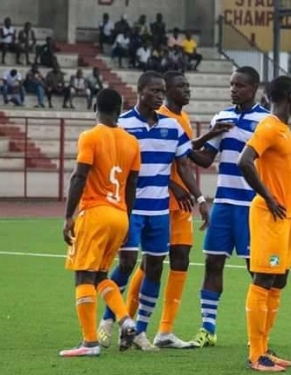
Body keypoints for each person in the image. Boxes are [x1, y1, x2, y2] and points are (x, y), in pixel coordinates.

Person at [97, 71, 210, 352]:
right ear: (140, 92)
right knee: (126, 264)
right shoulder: (122, 125)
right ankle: (109, 319)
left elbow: (183, 164)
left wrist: (200, 197)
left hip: (159, 211)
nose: (160, 96)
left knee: (155, 268)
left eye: (162, 91)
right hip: (130, 209)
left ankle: (140, 331)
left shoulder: (172, 127)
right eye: (155, 91)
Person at [121, 70, 229, 349]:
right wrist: (172, 184)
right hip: (160, 202)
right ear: (165, 91)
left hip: (182, 205)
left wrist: (209, 137)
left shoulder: (181, 119)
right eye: (180, 86)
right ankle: (128, 322)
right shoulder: (161, 117)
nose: (187, 90)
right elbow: (151, 162)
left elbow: (184, 153)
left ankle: (165, 330)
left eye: (188, 85)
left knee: (181, 259)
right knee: (149, 263)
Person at [188, 66, 271, 348]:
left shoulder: (267, 121)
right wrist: (202, 138)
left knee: (256, 269)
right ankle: (207, 329)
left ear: (254, 89)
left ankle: (258, 336)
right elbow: (205, 159)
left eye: (240, 86)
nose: (234, 89)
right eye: (231, 84)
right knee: (212, 263)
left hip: (252, 207)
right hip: (223, 203)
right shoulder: (222, 117)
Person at [58, 88, 140, 358]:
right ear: (120, 110)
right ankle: (126, 319)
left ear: (95, 107)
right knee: (102, 276)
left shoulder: (90, 136)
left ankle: (90, 342)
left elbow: (79, 176)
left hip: (95, 212)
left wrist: (69, 215)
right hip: (120, 215)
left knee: (83, 274)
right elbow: (132, 185)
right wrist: (126, 218)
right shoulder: (131, 142)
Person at [237, 75, 291, 372]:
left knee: (279, 280)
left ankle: (264, 348)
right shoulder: (269, 126)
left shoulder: (285, 130)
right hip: (268, 215)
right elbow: (244, 160)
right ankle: (255, 354)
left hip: (287, 217)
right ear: (289, 96)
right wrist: (268, 197)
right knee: (263, 279)